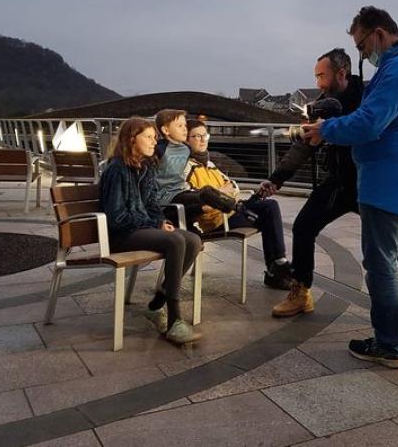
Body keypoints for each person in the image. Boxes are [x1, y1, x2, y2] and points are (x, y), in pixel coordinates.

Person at [303, 6, 398, 369]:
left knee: (382, 263)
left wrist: (326, 130)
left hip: (388, 178)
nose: (362, 56)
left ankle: (389, 344)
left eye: (361, 46)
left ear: (379, 34)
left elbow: (371, 123)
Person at [269, 48, 363, 317]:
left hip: (370, 181)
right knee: (303, 226)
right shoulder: (324, 102)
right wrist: (277, 179)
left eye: (321, 76)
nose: (318, 83)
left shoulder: (367, 97)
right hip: (339, 181)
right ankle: (301, 292)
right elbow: (304, 145)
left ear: (341, 73)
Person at [99, 116, 202, 345]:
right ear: (131, 139)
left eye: (155, 137)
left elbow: (153, 204)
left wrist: (159, 221)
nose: (154, 142)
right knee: (175, 241)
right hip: (120, 235)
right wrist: (154, 224)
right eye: (148, 137)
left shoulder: (145, 167)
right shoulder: (116, 169)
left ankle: (156, 305)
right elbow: (116, 217)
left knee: (193, 240)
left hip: (140, 229)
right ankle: (175, 319)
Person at [184, 119, 292, 289]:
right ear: (186, 140)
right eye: (196, 136)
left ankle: (277, 268)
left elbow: (233, 185)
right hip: (217, 221)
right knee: (268, 213)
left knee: (268, 206)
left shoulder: (209, 164)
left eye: (205, 135)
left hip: (231, 210)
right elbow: (199, 198)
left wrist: (224, 191)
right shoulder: (187, 167)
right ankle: (278, 266)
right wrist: (221, 192)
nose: (203, 139)